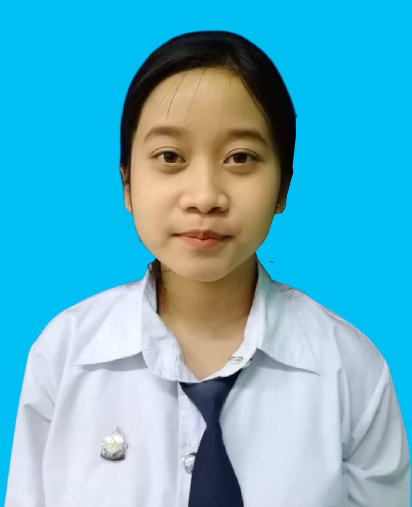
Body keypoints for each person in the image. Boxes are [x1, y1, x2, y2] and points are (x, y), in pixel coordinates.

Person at [5, 30, 410, 507]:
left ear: (283, 186)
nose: (204, 197)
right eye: (170, 157)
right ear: (127, 182)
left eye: (240, 157)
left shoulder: (351, 369)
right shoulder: (65, 354)